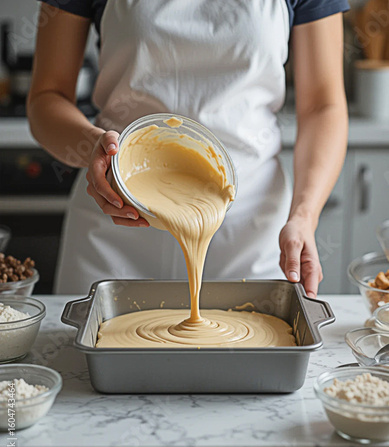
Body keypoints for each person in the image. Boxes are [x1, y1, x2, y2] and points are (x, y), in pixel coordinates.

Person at [28, 0, 349, 297]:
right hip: (114, 226)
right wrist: (92, 148)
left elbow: (323, 106)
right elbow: (47, 97)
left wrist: (304, 216)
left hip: (249, 235)